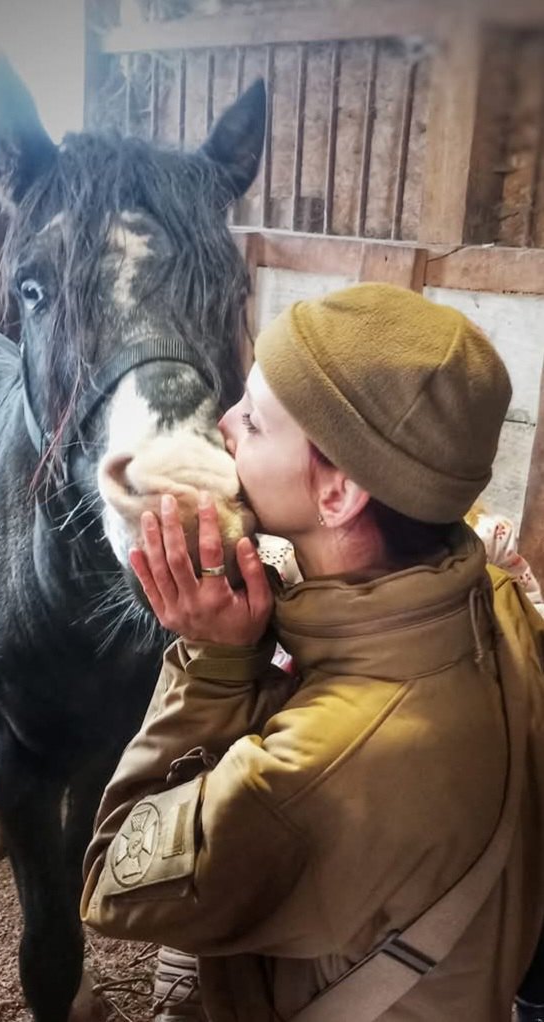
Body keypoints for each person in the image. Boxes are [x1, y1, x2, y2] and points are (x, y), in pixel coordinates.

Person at [81, 283, 544, 1022]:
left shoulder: (319, 766)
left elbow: (111, 884)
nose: (224, 424)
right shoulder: (490, 597)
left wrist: (214, 662)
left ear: (337, 494)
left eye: (256, 421)